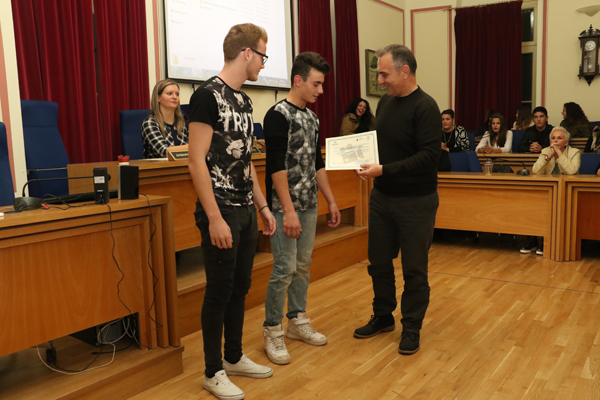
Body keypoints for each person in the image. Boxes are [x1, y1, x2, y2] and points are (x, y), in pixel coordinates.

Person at [187, 23, 276, 400]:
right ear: (247, 53)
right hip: (220, 208)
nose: (263, 64)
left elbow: (247, 162)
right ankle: (213, 371)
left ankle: (234, 356)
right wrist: (214, 217)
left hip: (244, 208)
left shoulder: (244, 101)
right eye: (262, 56)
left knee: (240, 288)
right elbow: (195, 161)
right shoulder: (206, 96)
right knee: (219, 291)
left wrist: (263, 205)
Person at [353, 44, 440, 356]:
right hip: (382, 198)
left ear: (405, 71)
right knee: (378, 262)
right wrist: (362, 160)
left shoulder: (426, 107)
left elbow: (428, 157)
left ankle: (412, 326)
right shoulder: (386, 103)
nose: (380, 81)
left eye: (384, 74)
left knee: (414, 269)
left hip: (416, 202)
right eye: (379, 74)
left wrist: (383, 169)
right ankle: (383, 316)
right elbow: (381, 145)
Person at [262, 52, 341, 365]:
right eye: (316, 84)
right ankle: (272, 329)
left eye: (321, 84)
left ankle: (296, 320)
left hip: (309, 205)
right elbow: (275, 166)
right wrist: (288, 210)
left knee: (303, 266)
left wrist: (330, 200)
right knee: (284, 269)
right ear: (298, 80)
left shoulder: (312, 118)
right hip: (285, 208)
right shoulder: (277, 115)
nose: (320, 90)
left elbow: (317, 163)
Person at [524, 127, 581, 256]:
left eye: (559, 138)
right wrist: (549, 156)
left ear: (566, 142)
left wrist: (559, 154)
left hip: (567, 192)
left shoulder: (575, 152)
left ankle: (549, 241)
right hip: (549, 191)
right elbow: (536, 170)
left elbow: (571, 170)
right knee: (532, 204)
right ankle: (533, 240)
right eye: (553, 138)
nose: (555, 141)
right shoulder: (545, 151)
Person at [141, 79, 189, 159]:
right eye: (169, 93)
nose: (175, 97)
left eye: (177, 94)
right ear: (158, 98)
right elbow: (164, 152)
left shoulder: (184, 121)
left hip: (184, 165)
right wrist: (192, 147)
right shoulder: (150, 123)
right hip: (160, 166)